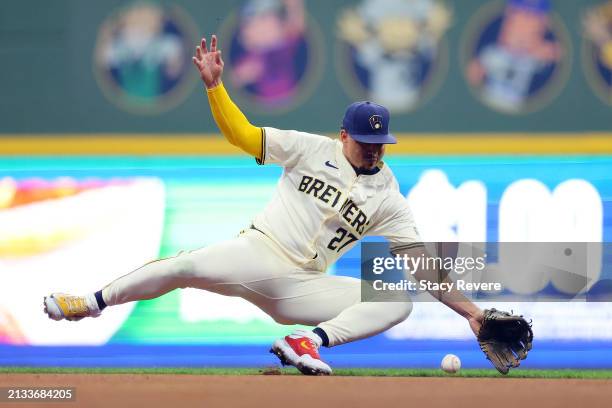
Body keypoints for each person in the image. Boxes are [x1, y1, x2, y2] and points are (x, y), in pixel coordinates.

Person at [44, 34, 486, 376]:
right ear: (344, 135)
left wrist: (474, 313)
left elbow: (422, 266)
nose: (374, 150)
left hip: (303, 287)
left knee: (396, 301)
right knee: (182, 267)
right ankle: (89, 301)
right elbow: (243, 135)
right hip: (256, 253)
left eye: (380, 143)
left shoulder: (389, 197)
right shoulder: (308, 149)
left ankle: (307, 341)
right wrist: (215, 88)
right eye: (366, 141)